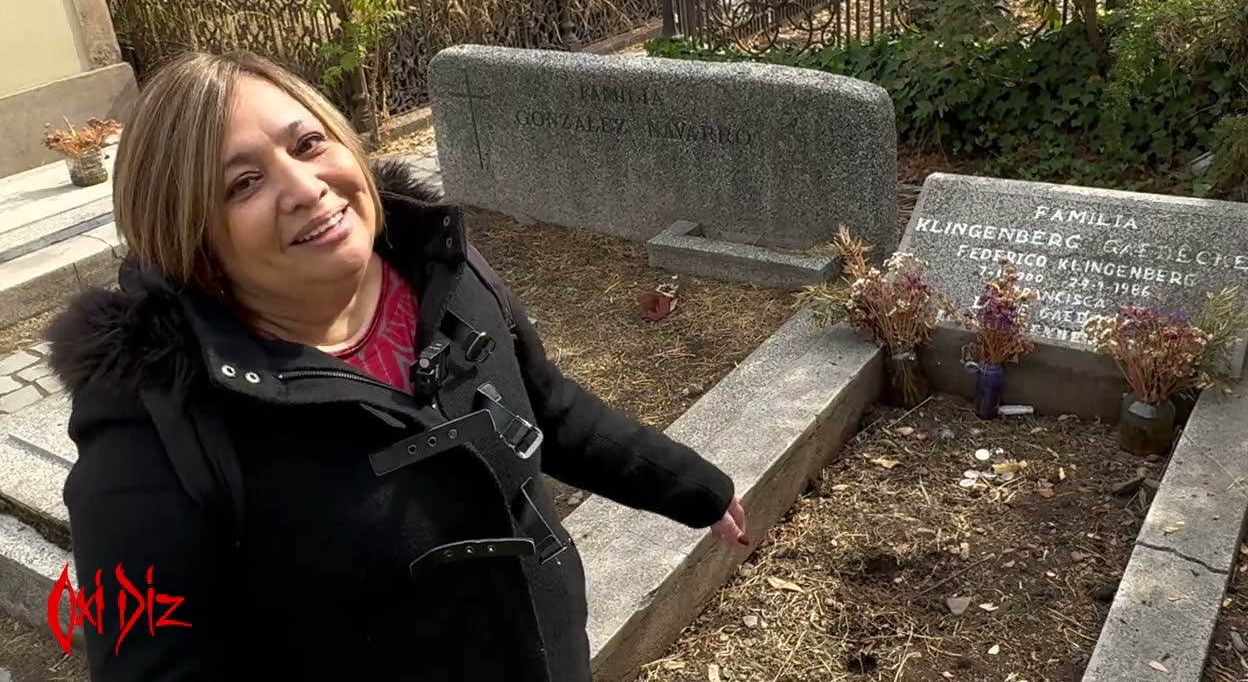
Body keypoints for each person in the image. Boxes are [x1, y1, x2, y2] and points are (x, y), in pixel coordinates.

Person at [45, 50, 748, 682]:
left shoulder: (442, 271)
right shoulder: (153, 425)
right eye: (243, 184)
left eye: (308, 143)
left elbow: (550, 407)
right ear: (189, 232)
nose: (305, 187)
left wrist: (693, 486)